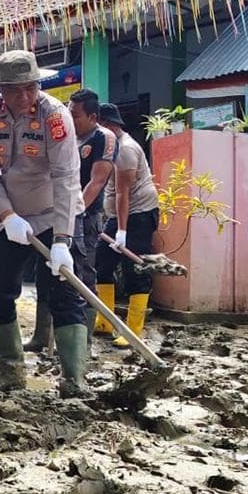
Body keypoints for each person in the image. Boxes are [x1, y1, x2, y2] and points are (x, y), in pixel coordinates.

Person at [0, 49, 92, 397]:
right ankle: (10, 369)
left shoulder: (55, 116)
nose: (24, 96)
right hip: (9, 215)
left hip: (57, 212)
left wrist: (62, 239)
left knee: (66, 294)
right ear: (1, 90)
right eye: (14, 89)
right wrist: (7, 216)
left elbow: (67, 175)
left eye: (30, 87)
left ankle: (74, 379)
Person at [24, 88, 118, 352]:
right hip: (53, 215)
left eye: (75, 115)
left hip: (84, 217)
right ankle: (42, 338)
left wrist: (72, 214)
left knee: (81, 275)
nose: (69, 119)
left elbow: (97, 181)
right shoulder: (66, 137)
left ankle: (82, 345)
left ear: (92, 116)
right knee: (46, 273)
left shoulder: (104, 138)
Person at [95, 103, 160, 348]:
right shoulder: (109, 147)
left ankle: (133, 331)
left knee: (134, 270)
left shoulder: (125, 150)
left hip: (139, 215)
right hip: (119, 216)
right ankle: (105, 321)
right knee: (102, 263)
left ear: (108, 124)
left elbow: (124, 194)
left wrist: (121, 231)